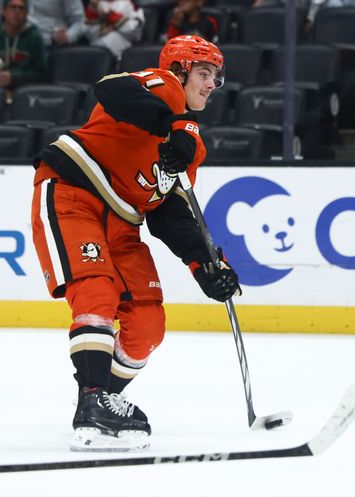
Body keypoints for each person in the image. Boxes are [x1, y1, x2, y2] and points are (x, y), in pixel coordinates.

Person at [30, 35, 240, 452]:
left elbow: (171, 212)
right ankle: (92, 399)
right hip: (73, 193)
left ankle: (101, 397)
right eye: (203, 73)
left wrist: (205, 265)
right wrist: (177, 122)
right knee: (96, 291)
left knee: (148, 324)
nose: (210, 85)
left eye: (215, 78)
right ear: (180, 70)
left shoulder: (191, 147)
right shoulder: (162, 84)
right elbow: (111, 89)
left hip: (123, 224)